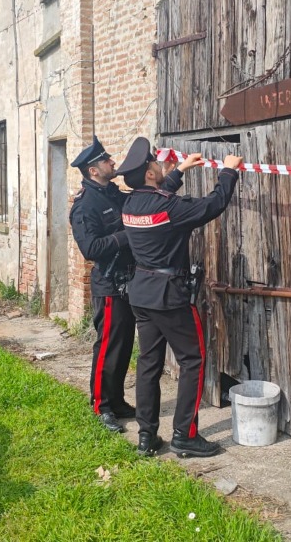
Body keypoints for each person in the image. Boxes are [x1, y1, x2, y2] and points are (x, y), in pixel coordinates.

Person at [115, 138, 243, 457]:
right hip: (170, 297)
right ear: (148, 174)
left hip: (141, 295)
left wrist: (180, 172)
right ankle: (185, 434)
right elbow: (212, 205)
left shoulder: (130, 205)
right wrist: (228, 172)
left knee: (148, 364)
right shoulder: (167, 208)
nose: (160, 165)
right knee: (192, 360)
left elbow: (157, 199)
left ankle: (147, 436)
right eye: (156, 165)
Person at [69, 136, 188, 433]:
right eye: (105, 160)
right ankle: (101, 405)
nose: (112, 162)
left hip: (131, 280)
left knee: (124, 347)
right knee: (109, 345)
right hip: (109, 283)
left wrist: (177, 173)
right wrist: (129, 235)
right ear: (93, 170)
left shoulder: (114, 194)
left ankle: (118, 400)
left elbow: (146, 204)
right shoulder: (85, 205)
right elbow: (92, 249)